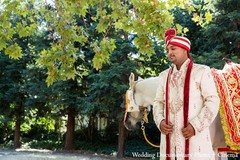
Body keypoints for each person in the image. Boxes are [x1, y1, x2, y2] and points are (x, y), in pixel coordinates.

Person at [153, 28, 220, 160]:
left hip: (196, 140)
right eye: (167, 50)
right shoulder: (163, 76)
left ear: (185, 50)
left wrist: (196, 126)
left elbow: (213, 100)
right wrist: (160, 121)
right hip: (169, 141)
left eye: (173, 49)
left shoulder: (201, 71)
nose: (169, 53)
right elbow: (158, 102)